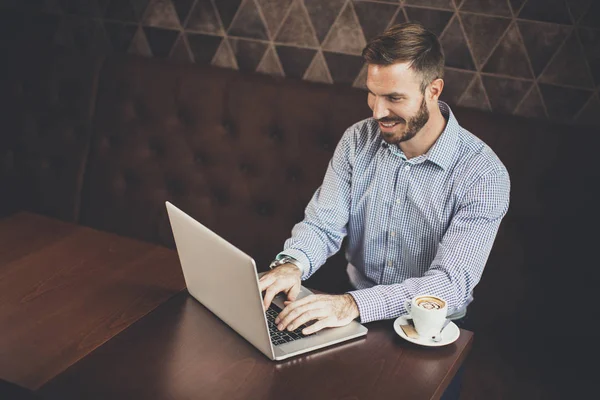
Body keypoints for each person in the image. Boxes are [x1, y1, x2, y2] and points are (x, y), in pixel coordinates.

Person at [259, 21, 510, 379]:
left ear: (433, 90)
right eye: (372, 93)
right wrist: (292, 263)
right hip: (350, 311)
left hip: (430, 329)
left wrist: (351, 305)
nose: (377, 112)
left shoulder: (483, 174)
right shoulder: (357, 141)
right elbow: (322, 224)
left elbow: (449, 285)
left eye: (394, 98)